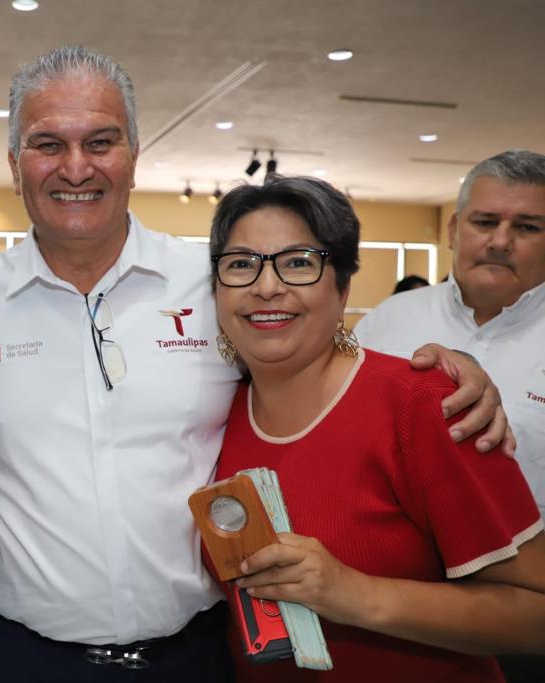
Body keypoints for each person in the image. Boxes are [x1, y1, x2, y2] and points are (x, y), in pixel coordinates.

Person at [0, 45, 511, 682]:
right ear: (15, 165)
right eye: (48, 144)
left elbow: (311, 352)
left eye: (101, 141)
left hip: (202, 654)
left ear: (134, 155)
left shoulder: (217, 283)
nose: (77, 167)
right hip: (19, 657)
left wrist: (452, 363)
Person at [208, 175, 545, 682]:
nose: (267, 286)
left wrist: (354, 593)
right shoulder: (210, 411)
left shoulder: (426, 404)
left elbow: (535, 614)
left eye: (299, 262)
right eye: (241, 264)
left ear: (343, 287)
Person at [355, 149, 545, 682]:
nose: (501, 240)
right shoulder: (388, 323)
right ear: (456, 228)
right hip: (385, 606)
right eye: (486, 222)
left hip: (521, 621)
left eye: (527, 226)